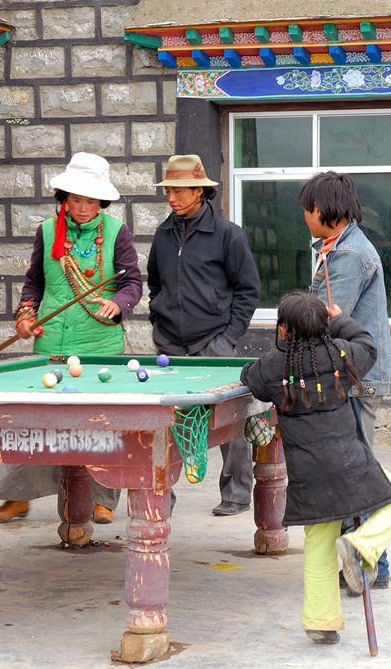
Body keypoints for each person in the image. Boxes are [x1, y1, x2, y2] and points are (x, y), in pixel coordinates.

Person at [240, 292, 391, 645]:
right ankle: (362, 545)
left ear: (284, 330)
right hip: (350, 462)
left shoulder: (275, 367)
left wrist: (278, 356)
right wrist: (339, 318)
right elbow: (369, 344)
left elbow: (249, 378)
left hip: (307, 474)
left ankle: (320, 621)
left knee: (318, 543)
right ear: (323, 327)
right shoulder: (341, 354)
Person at [0, 153, 142, 524]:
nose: (83, 208)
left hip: (99, 345)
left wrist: (118, 304)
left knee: (101, 422)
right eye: (76, 199)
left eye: (90, 200)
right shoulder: (47, 231)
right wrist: (25, 316)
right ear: (63, 197)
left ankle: (103, 498)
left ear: (101, 201)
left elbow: (132, 282)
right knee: (35, 420)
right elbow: (34, 283)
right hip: (52, 344)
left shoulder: (117, 233)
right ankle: (15, 496)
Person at [147, 154, 261, 516]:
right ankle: (163, 494)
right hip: (169, 347)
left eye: (180, 190)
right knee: (165, 424)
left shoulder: (228, 234)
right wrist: (158, 320)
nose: (172, 198)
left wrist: (227, 338)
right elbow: (155, 285)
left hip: (215, 344)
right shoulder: (163, 235)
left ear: (200, 190)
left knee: (231, 423)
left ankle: (237, 495)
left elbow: (248, 291)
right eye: (169, 190)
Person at [300, 171, 391, 590]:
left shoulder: (350, 256)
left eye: (307, 209)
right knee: (350, 469)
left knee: (354, 471)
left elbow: (321, 317)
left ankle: (372, 564)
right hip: (347, 373)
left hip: (357, 377)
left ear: (322, 212)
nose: (304, 216)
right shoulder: (330, 247)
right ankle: (366, 562)